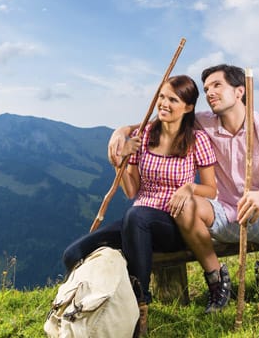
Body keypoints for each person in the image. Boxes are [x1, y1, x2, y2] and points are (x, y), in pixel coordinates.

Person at [109, 64, 259, 315]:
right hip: (220, 215)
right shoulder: (203, 122)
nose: (209, 92)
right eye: (207, 88)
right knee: (183, 202)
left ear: (240, 92)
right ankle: (216, 279)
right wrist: (121, 132)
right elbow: (161, 121)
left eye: (217, 85)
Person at [64, 74, 217, 335]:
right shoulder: (144, 135)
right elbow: (132, 190)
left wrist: (189, 188)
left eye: (173, 99)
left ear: (188, 107)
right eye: (161, 97)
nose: (164, 104)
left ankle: (139, 306)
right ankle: (96, 304)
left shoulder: (197, 140)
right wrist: (119, 161)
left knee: (136, 216)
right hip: (138, 222)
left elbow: (211, 190)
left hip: (175, 223)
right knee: (74, 254)